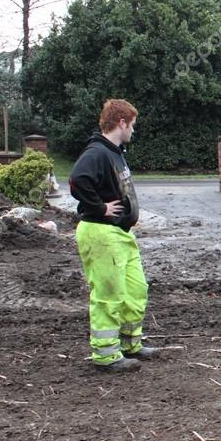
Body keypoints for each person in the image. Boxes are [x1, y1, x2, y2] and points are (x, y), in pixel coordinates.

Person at [70, 99, 159, 372]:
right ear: (121, 123)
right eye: (132, 125)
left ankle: (130, 343)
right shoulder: (97, 152)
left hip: (120, 233)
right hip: (101, 234)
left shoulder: (114, 152)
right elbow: (77, 180)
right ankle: (106, 356)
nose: (133, 130)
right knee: (109, 294)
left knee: (135, 289)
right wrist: (99, 207)